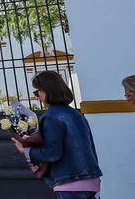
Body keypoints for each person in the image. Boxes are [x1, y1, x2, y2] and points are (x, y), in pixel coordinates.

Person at [11, 71, 102, 199]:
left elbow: (52, 153)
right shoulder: (76, 114)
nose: (38, 97)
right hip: (91, 179)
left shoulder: (51, 117)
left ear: (47, 91)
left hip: (69, 181)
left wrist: (26, 150)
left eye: (38, 92)